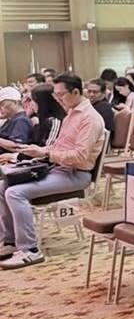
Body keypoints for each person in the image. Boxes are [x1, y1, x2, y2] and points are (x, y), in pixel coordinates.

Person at [0, 75, 105, 269]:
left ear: (75, 92)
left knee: (15, 193)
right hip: (58, 168)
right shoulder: (71, 114)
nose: (57, 99)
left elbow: (79, 157)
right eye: (55, 95)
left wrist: (46, 153)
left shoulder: (89, 119)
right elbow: (58, 148)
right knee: (3, 185)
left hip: (75, 174)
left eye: (60, 95)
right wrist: (40, 151)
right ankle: (10, 241)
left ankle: (30, 250)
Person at [28, 84, 65, 148]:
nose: (30, 103)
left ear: (42, 102)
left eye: (33, 100)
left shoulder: (55, 121)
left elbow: (49, 148)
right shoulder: (40, 119)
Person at [0, 87, 33, 154]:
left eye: (3, 104)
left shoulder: (21, 120)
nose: (1, 108)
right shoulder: (12, 118)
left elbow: (18, 146)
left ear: (16, 102)